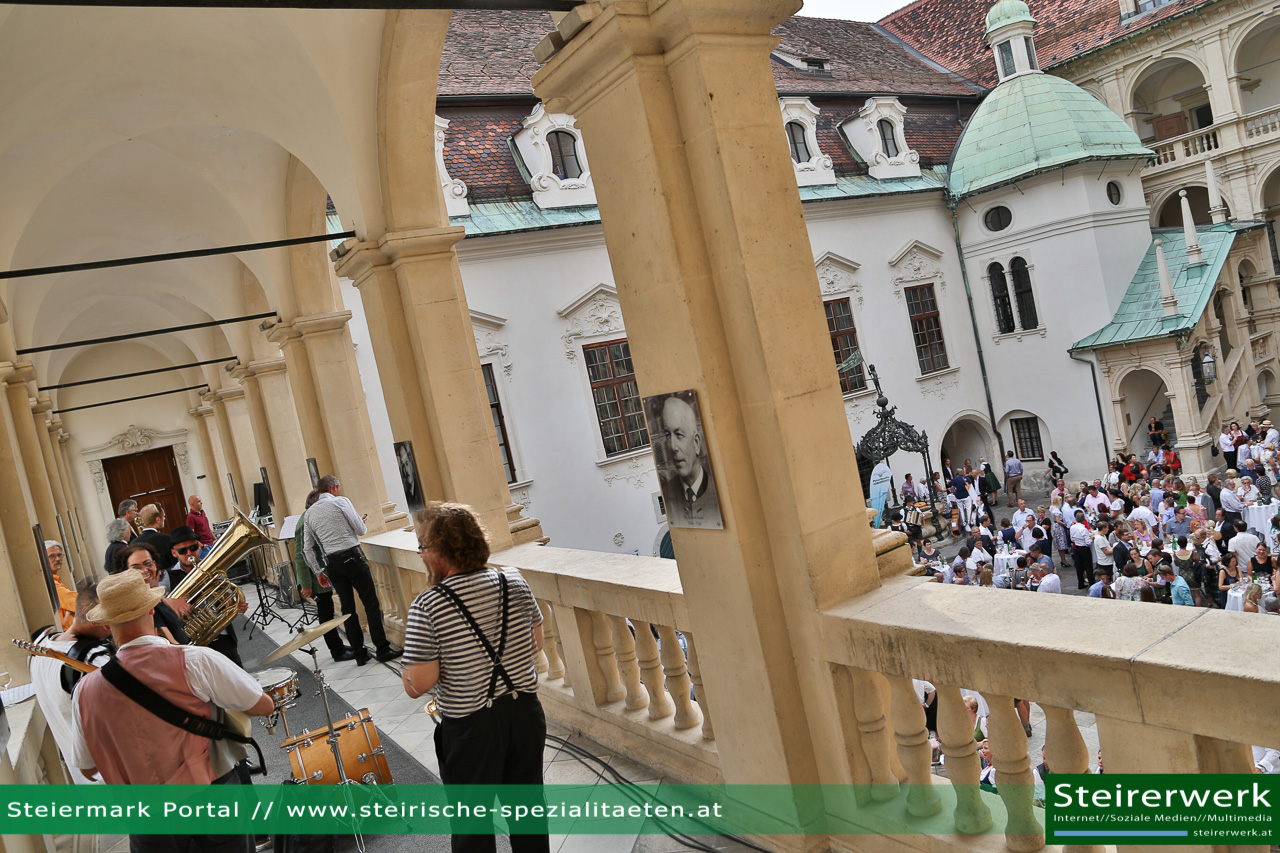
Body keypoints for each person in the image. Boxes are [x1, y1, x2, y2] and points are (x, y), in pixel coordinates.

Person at [70, 571, 275, 853]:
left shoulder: (84, 691)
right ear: (152, 609)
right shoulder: (196, 660)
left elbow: (87, 766)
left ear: (106, 623)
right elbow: (263, 705)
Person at [402, 502, 549, 853]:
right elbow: (536, 641)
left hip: (472, 728)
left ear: (441, 552)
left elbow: (418, 685)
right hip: (525, 713)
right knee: (528, 814)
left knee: (473, 826)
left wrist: (409, 672)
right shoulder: (512, 578)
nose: (421, 555)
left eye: (423, 547)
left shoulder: (429, 605)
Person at [303, 475, 402, 664]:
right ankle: (382, 649)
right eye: (338, 488)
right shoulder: (340, 502)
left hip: (331, 564)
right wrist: (360, 522)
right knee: (370, 603)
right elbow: (360, 530)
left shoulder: (309, 514)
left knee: (347, 609)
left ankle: (359, 654)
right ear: (334, 488)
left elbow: (306, 548)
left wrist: (318, 572)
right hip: (351, 557)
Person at [30, 580, 114, 785]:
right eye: (110, 616)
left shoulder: (40, 646)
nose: (112, 625)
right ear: (87, 612)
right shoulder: (92, 659)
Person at [170, 525, 248, 667]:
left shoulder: (212, 570)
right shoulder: (167, 576)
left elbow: (228, 594)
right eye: (182, 551)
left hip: (222, 636)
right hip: (192, 644)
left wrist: (237, 603)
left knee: (238, 679)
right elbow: (156, 603)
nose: (189, 553)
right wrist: (171, 602)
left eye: (193, 548)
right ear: (174, 553)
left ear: (199, 546)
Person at [294, 489, 356, 662]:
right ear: (314, 503)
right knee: (326, 614)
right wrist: (305, 584)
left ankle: (339, 646)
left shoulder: (309, 517)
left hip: (320, 575)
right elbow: (300, 555)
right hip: (315, 579)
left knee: (327, 612)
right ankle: (336, 650)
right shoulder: (304, 521)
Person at [657, 395, 721, 529]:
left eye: (679, 435)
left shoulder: (717, 491)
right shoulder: (667, 492)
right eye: (668, 435)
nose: (672, 446)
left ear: (696, 443)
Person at [111, 542, 192, 644]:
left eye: (148, 564)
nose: (144, 570)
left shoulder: (158, 600)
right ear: (126, 573)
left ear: (156, 565)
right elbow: (172, 645)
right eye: (136, 567)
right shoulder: (143, 606)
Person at [132, 504, 178, 585]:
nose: (164, 518)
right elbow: (176, 563)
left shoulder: (133, 543)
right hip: (171, 583)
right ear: (157, 519)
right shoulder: (167, 539)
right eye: (163, 516)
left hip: (145, 585)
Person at [44, 540, 78, 630]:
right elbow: (76, 602)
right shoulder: (51, 583)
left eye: (59, 555)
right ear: (43, 559)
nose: (57, 559)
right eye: (52, 556)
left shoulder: (55, 580)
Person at [1069, 510, 1093, 590]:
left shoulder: (1072, 527)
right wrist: (1092, 538)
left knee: (1079, 566)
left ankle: (1081, 583)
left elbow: (1072, 538)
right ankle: (1091, 582)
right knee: (1088, 566)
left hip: (1077, 547)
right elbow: (1088, 542)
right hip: (1084, 548)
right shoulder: (1083, 529)